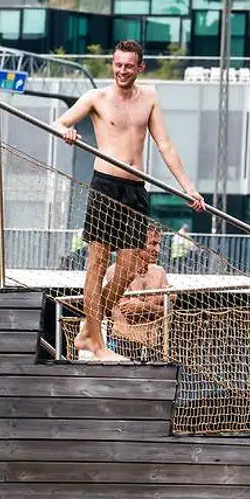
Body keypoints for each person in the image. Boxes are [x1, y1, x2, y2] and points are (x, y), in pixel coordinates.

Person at [53, 40, 205, 362]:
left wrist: (188, 187)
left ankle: (89, 329)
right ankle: (95, 340)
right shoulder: (96, 98)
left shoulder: (149, 98)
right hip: (106, 184)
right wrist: (67, 132)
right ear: (113, 64)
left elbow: (165, 144)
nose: (122, 71)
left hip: (136, 189)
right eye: (117, 64)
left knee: (125, 269)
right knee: (97, 263)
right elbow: (60, 122)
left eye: (128, 66)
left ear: (140, 68)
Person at [105, 226, 171, 360]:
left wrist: (144, 306)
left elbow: (168, 313)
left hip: (154, 344)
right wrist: (157, 301)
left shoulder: (159, 272)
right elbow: (128, 312)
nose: (158, 249)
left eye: (159, 244)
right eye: (153, 244)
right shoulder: (116, 270)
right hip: (124, 342)